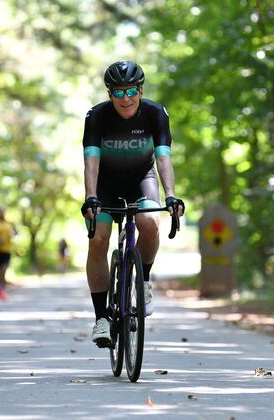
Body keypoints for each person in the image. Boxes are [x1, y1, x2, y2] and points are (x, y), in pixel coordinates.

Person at [81, 60, 185, 348]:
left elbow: (163, 158)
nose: (125, 98)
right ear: (109, 94)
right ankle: (102, 317)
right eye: (118, 92)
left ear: (140, 90)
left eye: (130, 91)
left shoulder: (155, 113)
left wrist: (171, 194)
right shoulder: (97, 116)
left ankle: (143, 282)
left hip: (142, 178)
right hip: (105, 184)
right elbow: (91, 161)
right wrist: (91, 196)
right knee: (99, 239)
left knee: (150, 223)